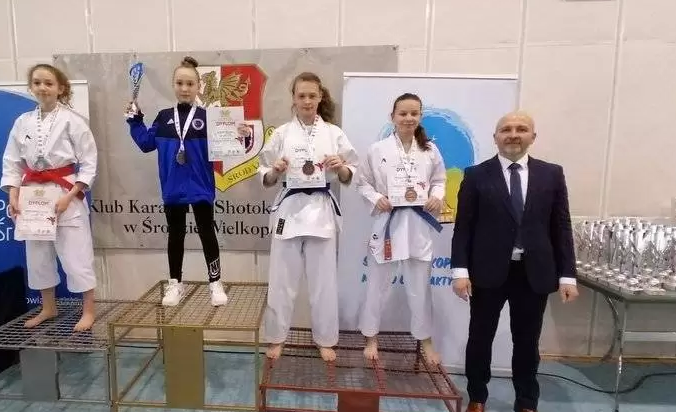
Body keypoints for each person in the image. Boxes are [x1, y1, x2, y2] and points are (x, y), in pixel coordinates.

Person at [451, 111, 579, 412]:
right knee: (481, 337)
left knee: (527, 341)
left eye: (521, 129)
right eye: (506, 129)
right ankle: (476, 399)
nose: (513, 134)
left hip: (533, 273)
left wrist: (567, 275)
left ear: (533, 137)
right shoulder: (476, 175)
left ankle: (527, 403)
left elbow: (561, 226)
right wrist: (460, 271)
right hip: (487, 272)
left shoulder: (551, 174)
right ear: (495, 137)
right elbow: (464, 228)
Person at [126, 56, 248, 307]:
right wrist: (135, 121)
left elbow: (230, 147)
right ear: (173, 85)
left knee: (207, 233)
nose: (184, 88)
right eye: (180, 83)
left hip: (201, 186)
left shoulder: (210, 118)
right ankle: (175, 283)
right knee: (176, 235)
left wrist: (241, 135)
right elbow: (146, 144)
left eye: (190, 84)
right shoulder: (163, 117)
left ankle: (215, 282)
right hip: (173, 187)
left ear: (198, 87)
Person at [257, 72, 359, 362]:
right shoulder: (281, 133)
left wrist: (341, 167)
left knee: (324, 282)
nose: (307, 101)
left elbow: (351, 171)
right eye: (301, 95)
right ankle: (276, 338)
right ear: (294, 98)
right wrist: (275, 170)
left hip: (321, 209)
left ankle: (325, 339)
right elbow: (264, 174)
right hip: (289, 209)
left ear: (320, 97)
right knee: (281, 280)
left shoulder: (334, 133)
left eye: (312, 95)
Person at [1, 63, 98, 331]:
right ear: (30, 87)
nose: (42, 88)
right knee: (38, 255)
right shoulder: (22, 122)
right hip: (33, 193)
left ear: (60, 88)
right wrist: (13, 194)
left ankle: (89, 310)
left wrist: (72, 194)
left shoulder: (73, 121)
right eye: (37, 83)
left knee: (76, 254)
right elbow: (12, 161)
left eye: (48, 83)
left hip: (65, 192)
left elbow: (89, 161)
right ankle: (48, 307)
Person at [356, 93, 446, 364]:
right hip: (388, 223)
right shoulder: (377, 149)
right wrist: (376, 198)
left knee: (420, 288)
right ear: (392, 117)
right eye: (403, 113)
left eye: (414, 113)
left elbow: (439, 180)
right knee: (377, 286)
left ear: (420, 117)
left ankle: (425, 339)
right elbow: (362, 182)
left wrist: (436, 196)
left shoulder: (430, 150)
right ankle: (371, 336)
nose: (408, 118)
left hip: (418, 225)